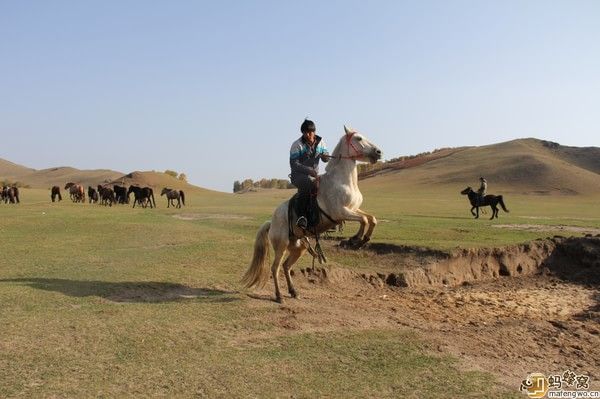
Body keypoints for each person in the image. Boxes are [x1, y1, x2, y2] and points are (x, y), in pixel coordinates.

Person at [290, 118, 330, 229]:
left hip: (315, 175)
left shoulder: (321, 142)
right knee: (307, 185)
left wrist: (326, 157)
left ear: (314, 131)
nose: (308, 135)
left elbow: (325, 158)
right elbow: (294, 164)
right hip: (297, 176)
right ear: (302, 133)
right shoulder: (297, 145)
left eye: (310, 132)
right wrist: (309, 171)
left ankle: (326, 216)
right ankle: (301, 217)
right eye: (305, 132)